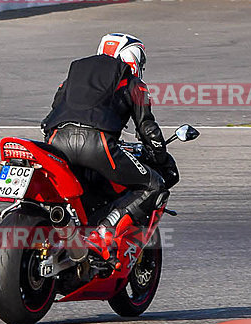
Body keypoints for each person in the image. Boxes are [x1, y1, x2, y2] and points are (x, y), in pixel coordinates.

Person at [41, 33, 177, 262]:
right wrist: (161, 157)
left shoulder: (72, 76)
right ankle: (102, 232)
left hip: (56, 140)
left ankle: (63, 230)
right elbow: (147, 129)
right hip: (97, 143)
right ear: (131, 57)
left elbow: (53, 112)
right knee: (154, 185)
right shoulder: (133, 82)